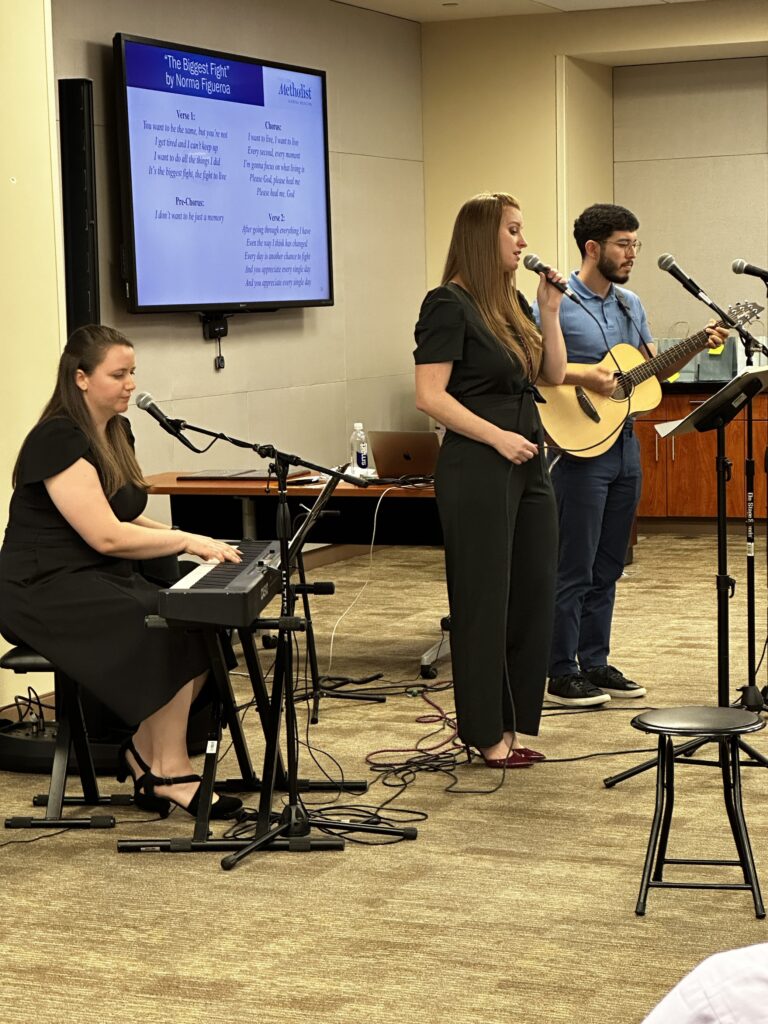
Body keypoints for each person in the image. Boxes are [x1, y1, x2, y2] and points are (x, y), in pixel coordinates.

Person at [0, 324, 243, 818]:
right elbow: (105, 536)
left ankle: (144, 754)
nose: (131, 383)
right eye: (119, 374)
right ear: (82, 378)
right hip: (42, 588)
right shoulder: (58, 439)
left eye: (133, 372)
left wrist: (197, 544)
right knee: (163, 623)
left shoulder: (115, 428)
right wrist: (185, 539)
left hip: (95, 574)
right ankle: (169, 769)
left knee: (195, 614)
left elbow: (123, 515)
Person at [536, 203, 726, 707]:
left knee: (609, 562)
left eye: (636, 244)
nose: (632, 254)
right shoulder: (556, 301)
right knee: (573, 563)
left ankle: (594, 662)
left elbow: (647, 374)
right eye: (624, 244)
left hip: (625, 444)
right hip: (577, 448)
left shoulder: (630, 304)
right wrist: (587, 377)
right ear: (592, 248)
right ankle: (560, 670)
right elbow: (535, 367)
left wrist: (696, 345)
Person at [413, 191, 567, 768]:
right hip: (479, 464)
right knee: (484, 599)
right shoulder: (447, 304)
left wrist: (549, 311)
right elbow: (429, 396)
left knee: (531, 594)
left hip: (530, 462)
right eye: (513, 232)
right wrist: (496, 437)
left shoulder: (512, 304)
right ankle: (484, 732)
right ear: (484, 238)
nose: (524, 243)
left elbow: (550, 374)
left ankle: (512, 721)